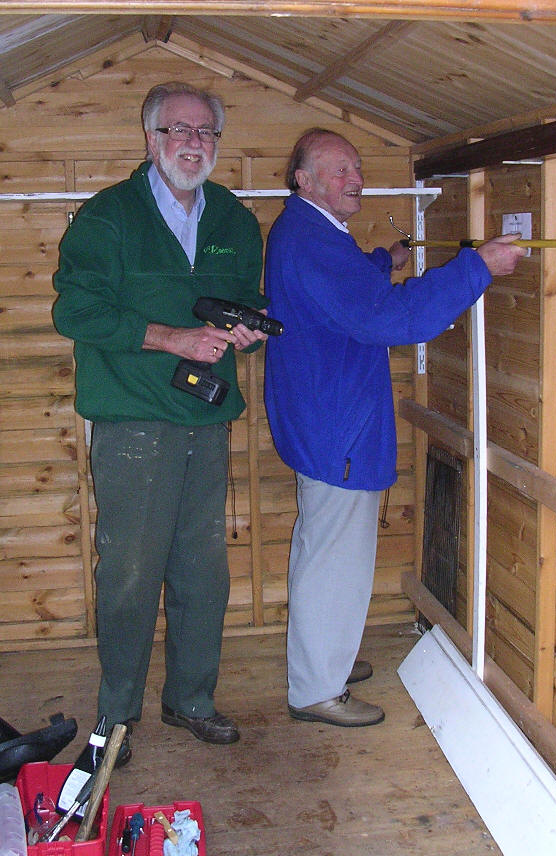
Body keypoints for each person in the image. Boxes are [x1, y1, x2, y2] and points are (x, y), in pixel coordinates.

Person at [264, 127, 526, 728]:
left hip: (323, 414)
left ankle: (320, 658)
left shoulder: (309, 231)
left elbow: (351, 287)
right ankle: (316, 690)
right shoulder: (311, 241)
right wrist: (476, 268)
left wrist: (385, 261)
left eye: (355, 167)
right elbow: (394, 318)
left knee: (321, 548)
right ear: (302, 180)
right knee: (335, 556)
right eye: (337, 170)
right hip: (337, 423)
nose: (352, 178)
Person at [53, 81, 267, 762]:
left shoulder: (233, 218)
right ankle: (117, 719)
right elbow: (75, 314)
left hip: (206, 422)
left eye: (205, 131)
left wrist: (247, 332)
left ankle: (191, 700)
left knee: (203, 571)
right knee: (129, 574)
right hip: (133, 426)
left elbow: (248, 301)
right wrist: (171, 338)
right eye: (178, 130)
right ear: (151, 139)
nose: (193, 143)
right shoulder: (108, 216)